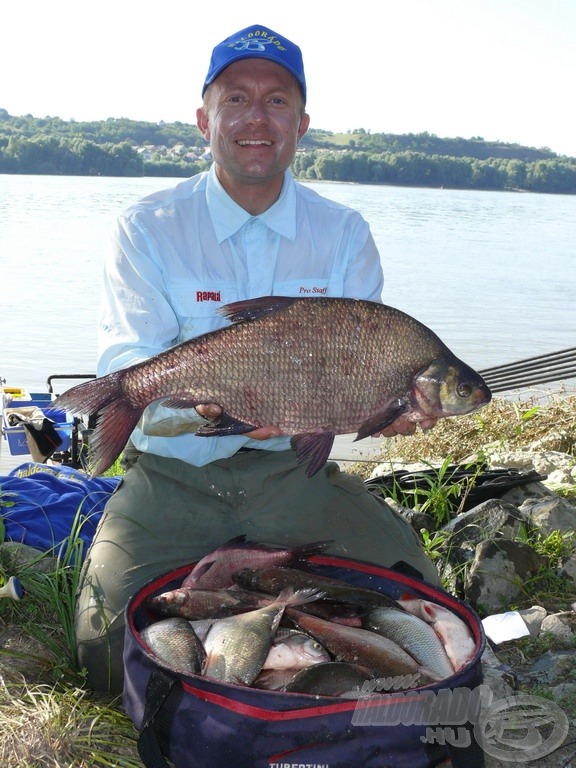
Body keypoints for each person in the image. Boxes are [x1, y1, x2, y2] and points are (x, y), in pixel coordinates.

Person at [75, 24, 440, 693]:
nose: (256, 118)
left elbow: (359, 367)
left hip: (289, 475)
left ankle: (260, 592)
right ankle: (238, 588)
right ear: (203, 119)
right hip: (172, 478)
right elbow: (129, 352)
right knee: (101, 651)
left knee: (420, 593)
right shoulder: (146, 225)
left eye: (277, 102)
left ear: (301, 123)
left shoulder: (343, 233)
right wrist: (208, 399)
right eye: (236, 98)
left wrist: (388, 411)